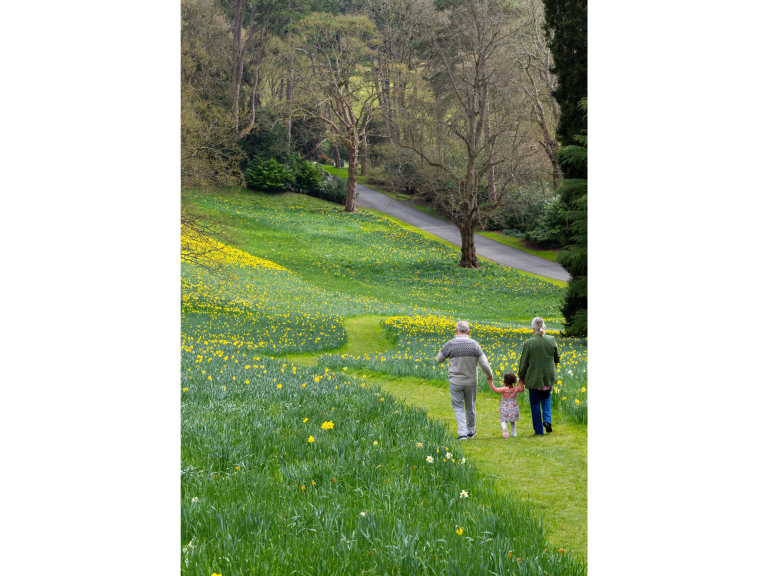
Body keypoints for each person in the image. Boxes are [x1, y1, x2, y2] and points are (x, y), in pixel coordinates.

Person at [436, 320, 493, 440]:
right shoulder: (474, 344)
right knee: (470, 407)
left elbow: (439, 359)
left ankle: (462, 434)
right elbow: (484, 363)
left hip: (455, 381)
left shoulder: (450, 344)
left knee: (458, 407)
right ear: (468, 331)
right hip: (471, 382)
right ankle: (471, 431)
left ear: (456, 330)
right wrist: (489, 375)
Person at [518, 316, 559, 435]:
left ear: (532, 328)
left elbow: (524, 362)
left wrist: (521, 375)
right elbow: (557, 358)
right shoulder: (551, 339)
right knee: (546, 398)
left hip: (534, 379)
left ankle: (538, 431)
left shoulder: (529, 343)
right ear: (543, 326)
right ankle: (547, 420)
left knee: (535, 403)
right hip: (548, 377)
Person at [489, 373, 524, 438]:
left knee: (503, 420)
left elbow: (495, 389)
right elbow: (522, 390)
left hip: (505, 407)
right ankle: (514, 433)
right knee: (513, 420)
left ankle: (505, 428)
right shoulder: (516, 388)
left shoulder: (504, 389)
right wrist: (521, 382)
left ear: (505, 381)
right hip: (513, 406)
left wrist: (490, 383)